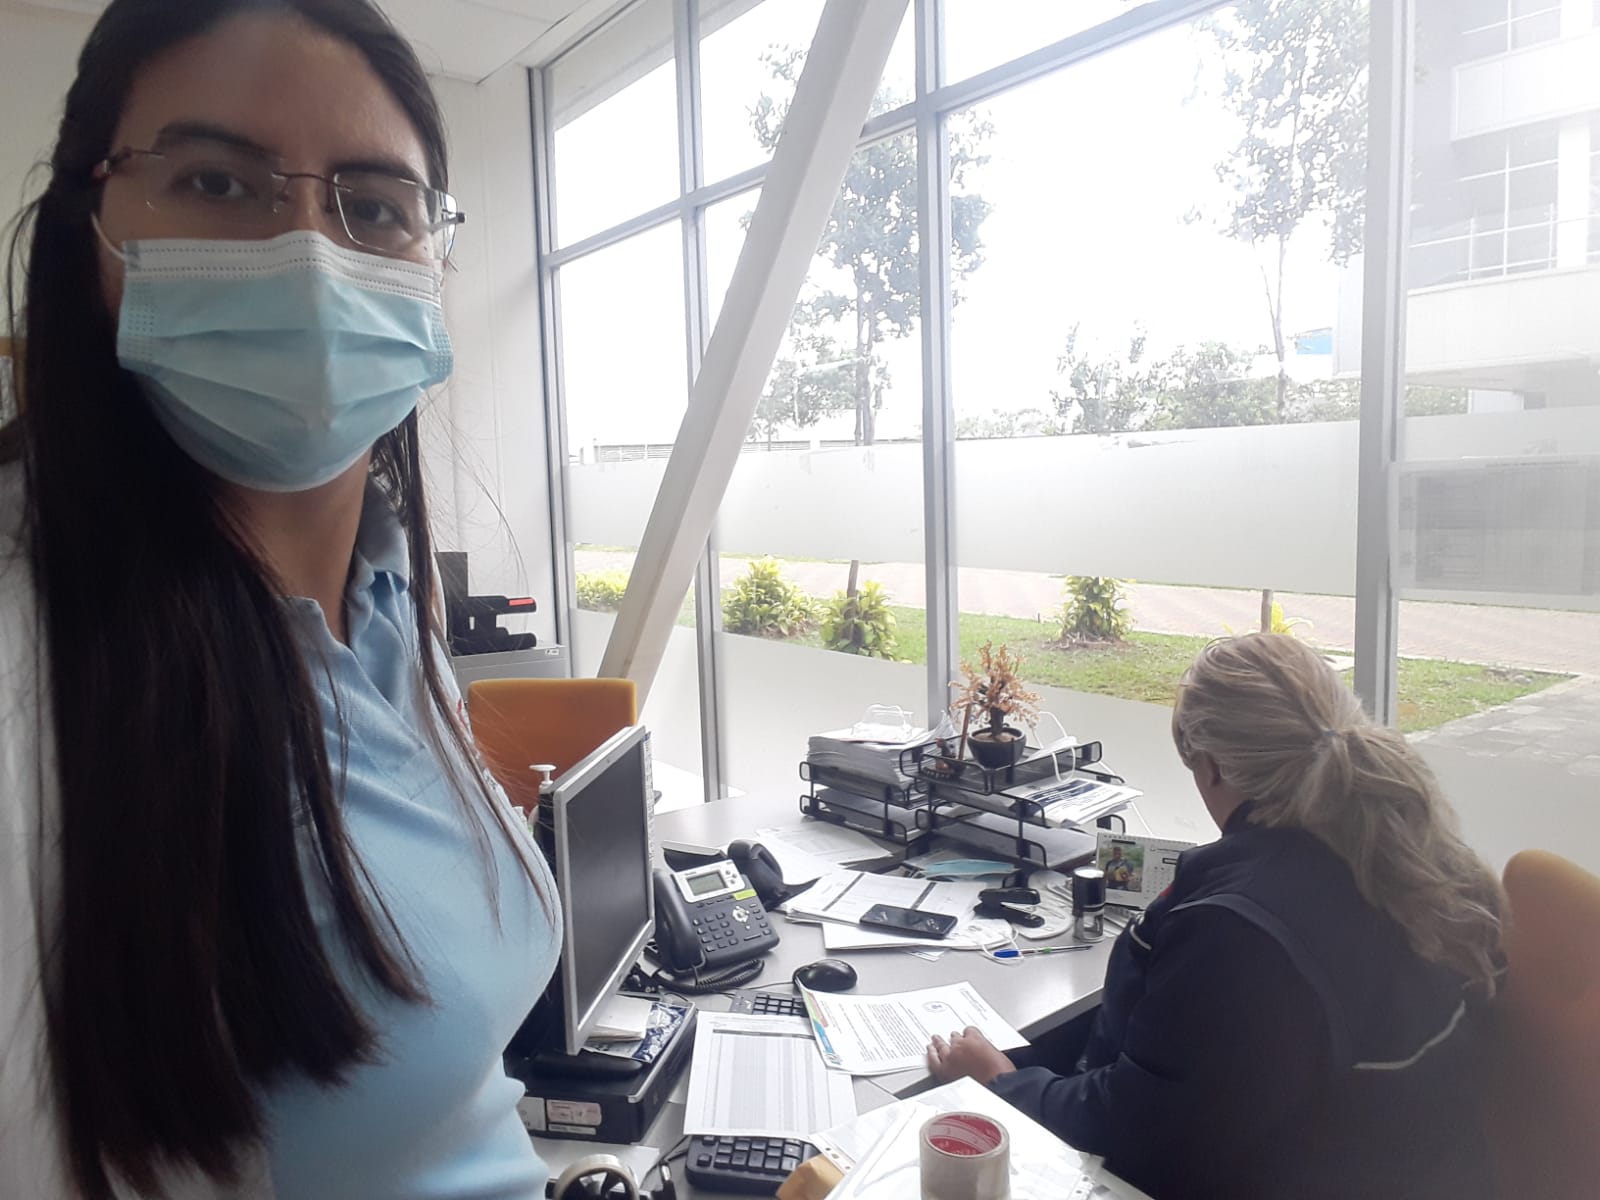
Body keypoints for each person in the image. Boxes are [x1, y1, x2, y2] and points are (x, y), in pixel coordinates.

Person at [0, 2, 560, 1197]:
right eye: (216, 183)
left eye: (377, 206)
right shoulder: (34, 669)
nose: (310, 252)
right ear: (87, 229)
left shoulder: (391, 592)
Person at [926, 634, 1504, 1199]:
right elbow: (1187, 1074)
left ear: (1212, 768)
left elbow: (1143, 1130)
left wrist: (1001, 1082)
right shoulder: (1413, 861)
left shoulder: (1237, 930)